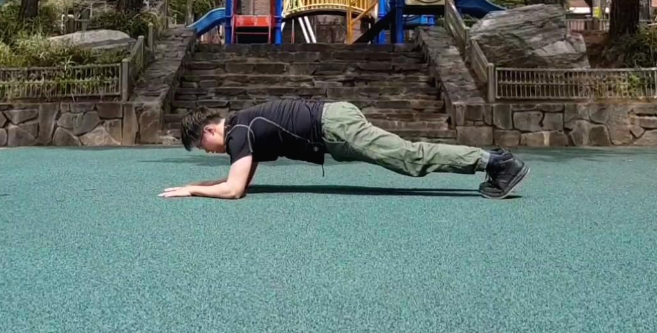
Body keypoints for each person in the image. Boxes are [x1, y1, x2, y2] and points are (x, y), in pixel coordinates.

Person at [159, 99, 529, 201]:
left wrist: (193, 189)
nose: (206, 151)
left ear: (210, 129)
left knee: (409, 158)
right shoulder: (242, 127)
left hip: (334, 127)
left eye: (201, 144)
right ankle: (494, 161)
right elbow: (241, 178)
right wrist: (208, 183)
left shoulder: (239, 132)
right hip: (333, 122)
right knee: (408, 156)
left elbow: (235, 190)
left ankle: (497, 162)